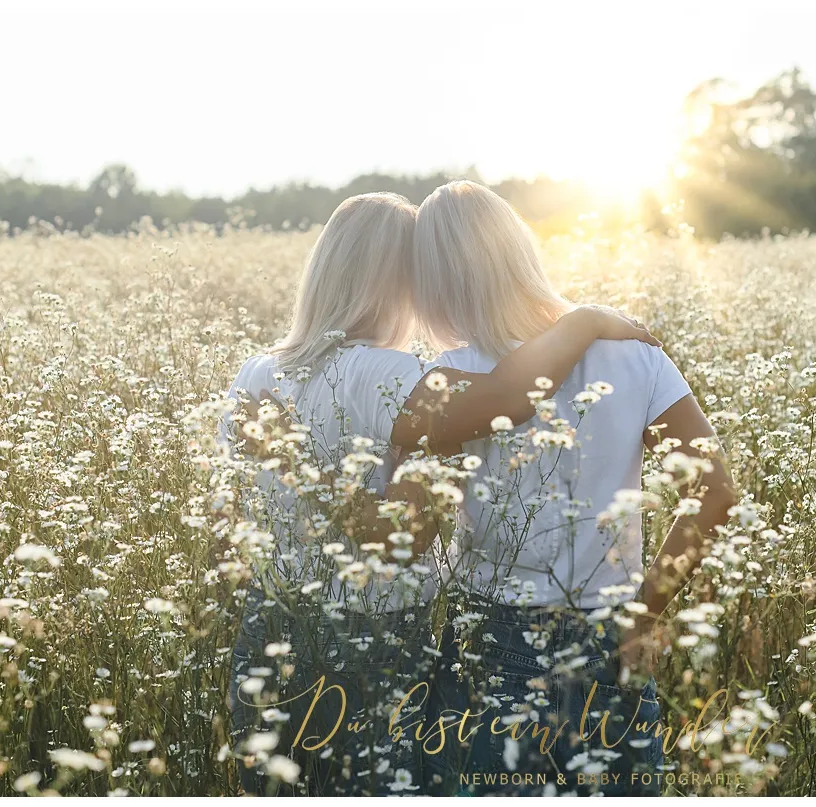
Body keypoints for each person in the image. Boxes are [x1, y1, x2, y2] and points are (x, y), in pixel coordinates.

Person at [219, 191, 660, 796]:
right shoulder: (389, 376)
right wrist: (582, 322)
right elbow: (506, 402)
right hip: (368, 645)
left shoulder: (255, 372)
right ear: (406, 281)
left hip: (266, 628)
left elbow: (239, 521)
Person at [412, 181, 738, 796]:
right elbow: (715, 493)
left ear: (435, 279)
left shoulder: (449, 376)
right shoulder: (636, 354)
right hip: (611, 629)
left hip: (490, 630)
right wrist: (644, 614)